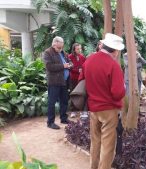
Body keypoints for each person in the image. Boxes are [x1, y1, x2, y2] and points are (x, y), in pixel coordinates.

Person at [78, 33, 125, 169]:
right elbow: (117, 93)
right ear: (115, 50)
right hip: (109, 110)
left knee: (95, 142)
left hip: (93, 108)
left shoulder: (89, 60)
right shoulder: (113, 65)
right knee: (108, 147)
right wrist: (123, 88)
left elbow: (82, 80)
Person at [43, 36, 71, 130]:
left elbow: (69, 61)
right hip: (54, 82)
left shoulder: (62, 52)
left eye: (61, 47)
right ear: (54, 44)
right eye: (59, 47)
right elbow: (49, 67)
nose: (60, 49)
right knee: (52, 102)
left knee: (64, 101)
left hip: (64, 81)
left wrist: (70, 65)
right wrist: (63, 66)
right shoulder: (48, 52)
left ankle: (63, 118)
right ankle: (50, 122)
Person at [68, 43, 86, 118]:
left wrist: (82, 70)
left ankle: (82, 111)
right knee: (73, 94)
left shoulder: (82, 57)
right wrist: (78, 70)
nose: (79, 50)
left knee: (82, 94)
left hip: (81, 79)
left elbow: (85, 65)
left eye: (80, 48)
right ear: (74, 50)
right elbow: (70, 67)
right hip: (73, 79)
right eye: (78, 49)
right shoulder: (70, 57)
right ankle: (73, 111)